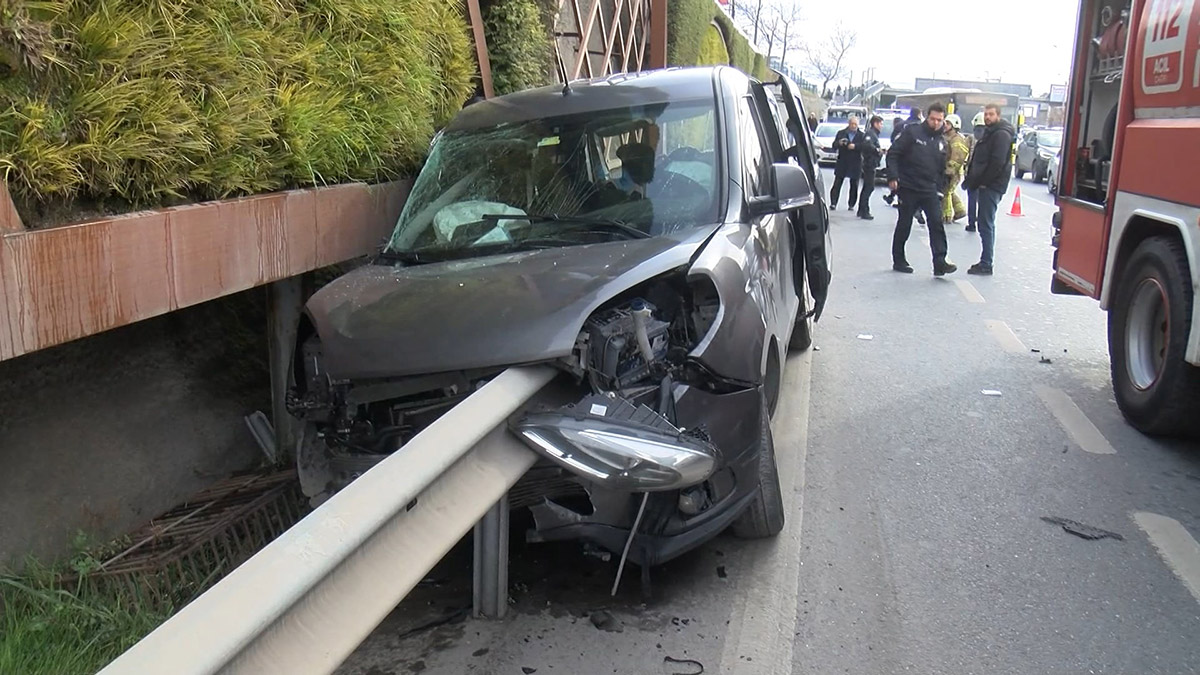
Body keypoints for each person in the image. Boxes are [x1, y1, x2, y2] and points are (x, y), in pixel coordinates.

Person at [886, 102, 957, 276]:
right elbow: (894, 154)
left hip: (929, 189)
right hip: (909, 186)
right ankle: (899, 259)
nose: (936, 123)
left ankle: (940, 261)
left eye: (940, 120)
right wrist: (893, 177)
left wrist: (940, 190)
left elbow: (941, 169)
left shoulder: (941, 141)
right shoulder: (912, 132)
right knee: (905, 223)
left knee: (936, 223)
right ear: (927, 117)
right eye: (933, 119)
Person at [963, 104, 1015, 275]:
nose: (987, 117)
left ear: (998, 115)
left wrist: (984, 182)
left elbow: (996, 162)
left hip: (991, 185)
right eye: (986, 114)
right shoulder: (992, 132)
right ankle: (985, 261)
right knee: (985, 223)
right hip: (987, 184)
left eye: (991, 114)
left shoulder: (1000, 134)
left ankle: (986, 263)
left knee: (986, 224)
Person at [830, 116, 864, 210]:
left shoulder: (861, 135)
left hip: (855, 162)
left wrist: (855, 146)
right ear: (848, 124)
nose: (853, 126)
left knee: (854, 185)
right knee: (837, 183)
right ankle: (833, 203)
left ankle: (851, 204)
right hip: (843, 161)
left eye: (855, 124)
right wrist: (839, 143)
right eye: (852, 124)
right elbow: (834, 145)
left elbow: (864, 146)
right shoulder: (841, 133)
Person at [941, 114, 969, 224]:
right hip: (945, 169)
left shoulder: (957, 139)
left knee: (946, 192)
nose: (945, 125)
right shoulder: (947, 136)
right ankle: (960, 210)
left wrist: (950, 170)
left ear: (954, 125)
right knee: (950, 191)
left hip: (952, 171)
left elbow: (958, 156)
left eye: (948, 123)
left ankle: (946, 215)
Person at [857, 115, 884, 220]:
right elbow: (867, 145)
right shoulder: (870, 134)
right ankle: (865, 210)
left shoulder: (874, 134)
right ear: (875, 123)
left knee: (867, 187)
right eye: (880, 124)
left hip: (871, 163)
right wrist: (877, 150)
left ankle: (861, 209)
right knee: (869, 187)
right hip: (869, 164)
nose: (881, 126)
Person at [965, 111, 987, 232]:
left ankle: (972, 223)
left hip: (973, 172)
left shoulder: (971, 137)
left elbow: (965, 154)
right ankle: (982, 222)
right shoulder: (991, 136)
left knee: (972, 199)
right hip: (985, 174)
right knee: (983, 201)